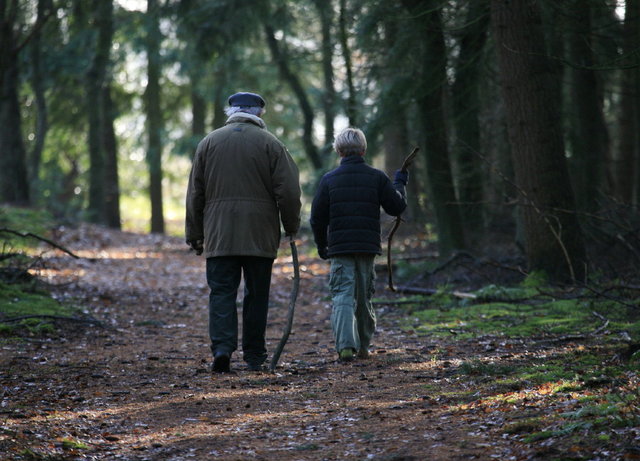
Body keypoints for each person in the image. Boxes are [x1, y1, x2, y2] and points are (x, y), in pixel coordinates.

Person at [185, 92, 301, 373]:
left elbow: (194, 194)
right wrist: (291, 226)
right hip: (259, 233)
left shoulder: (208, 143)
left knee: (221, 292)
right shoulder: (271, 144)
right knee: (257, 294)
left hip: (219, 232)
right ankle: (254, 355)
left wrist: (195, 233)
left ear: (232, 112)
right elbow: (288, 191)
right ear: (259, 114)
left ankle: (223, 349)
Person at [310, 127, 408, 362]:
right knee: (364, 297)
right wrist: (400, 184)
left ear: (338, 150)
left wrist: (322, 246)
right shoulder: (376, 177)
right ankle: (363, 347)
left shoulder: (329, 179)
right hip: (366, 247)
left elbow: (317, 218)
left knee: (342, 295)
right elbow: (397, 207)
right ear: (363, 149)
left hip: (340, 248)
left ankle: (345, 346)